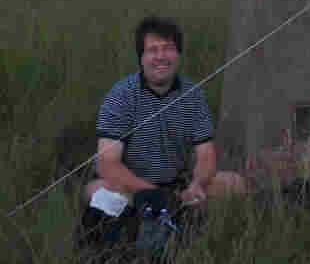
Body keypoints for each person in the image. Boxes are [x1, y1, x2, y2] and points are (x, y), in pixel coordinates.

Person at [82, 16, 244, 243]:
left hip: (177, 186)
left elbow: (206, 154)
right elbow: (107, 163)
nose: (160, 57)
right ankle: (132, 235)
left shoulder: (193, 95)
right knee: (99, 192)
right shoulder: (120, 96)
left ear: (178, 55)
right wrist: (152, 193)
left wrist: (196, 184)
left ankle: (187, 228)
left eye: (168, 49)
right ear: (142, 58)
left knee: (233, 183)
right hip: (131, 187)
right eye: (152, 50)